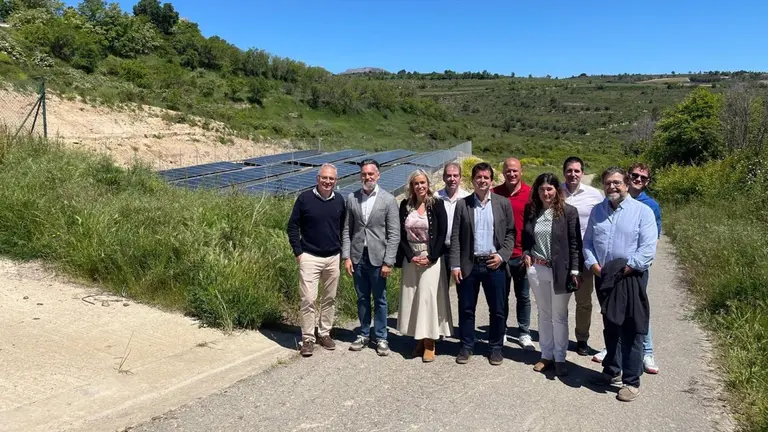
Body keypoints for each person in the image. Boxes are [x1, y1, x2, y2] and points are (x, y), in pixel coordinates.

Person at [584, 167, 657, 402]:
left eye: (616, 183)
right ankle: (612, 370)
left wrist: (624, 270)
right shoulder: (598, 211)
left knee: (631, 329)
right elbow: (588, 243)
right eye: (607, 183)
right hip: (604, 278)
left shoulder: (642, 212)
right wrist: (594, 266)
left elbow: (647, 249)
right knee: (610, 325)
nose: (612, 187)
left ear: (626, 184)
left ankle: (631, 381)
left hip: (630, 277)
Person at [450, 162, 516, 366]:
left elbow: (510, 233)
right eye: (478, 177)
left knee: (497, 309)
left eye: (486, 177)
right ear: (473, 180)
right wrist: (455, 264)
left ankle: (495, 347)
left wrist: (502, 256)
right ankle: (467, 346)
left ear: (491, 180)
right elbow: (455, 238)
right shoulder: (463, 204)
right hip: (469, 264)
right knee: (466, 308)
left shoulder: (502, 203)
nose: (482, 180)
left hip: (494, 263)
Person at [522, 173, 582, 376]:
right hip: (537, 269)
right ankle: (546, 355)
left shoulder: (568, 212)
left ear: (557, 190)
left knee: (559, 315)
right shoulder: (532, 210)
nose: (545, 193)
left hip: (561, 271)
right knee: (544, 313)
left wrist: (575, 270)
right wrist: (526, 253)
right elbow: (526, 237)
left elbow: (575, 244)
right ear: (536, 191)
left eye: (549, 189)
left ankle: (560, 358)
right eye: (541, 189)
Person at [342, 159, 400, 356]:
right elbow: (347, 230)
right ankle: (364, 334)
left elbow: (394, 234)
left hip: (379, 258)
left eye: (371, 174)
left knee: (381, 299)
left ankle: (382, 337)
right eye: (364, 174)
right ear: (360, 176)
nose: (367, 177)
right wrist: (346, 256)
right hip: (358, 256)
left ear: (378, 175)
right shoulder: (352, 198)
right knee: (362, 298)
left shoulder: (388, 200)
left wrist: (388, 261)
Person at [287, 163, 346, 357]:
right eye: (324, 178)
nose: (328, 181)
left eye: (331, 179)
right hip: (309, 256)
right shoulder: (304, 199)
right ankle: (307, 338)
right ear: (317, 179)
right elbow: (292, 227)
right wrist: (299, 252)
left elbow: (344, 228)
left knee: (329, 298)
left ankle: (324, 333)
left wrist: (342, 253)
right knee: (309, 299)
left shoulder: (339, 200)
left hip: (332, 257)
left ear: (336, 181)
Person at [396, 169, 453, 362]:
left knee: (428, 298)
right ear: (411, 186)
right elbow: (401, 234)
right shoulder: (405, 205)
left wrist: (431, 256)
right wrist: (411, 256)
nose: (420, 186)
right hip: (411, 257)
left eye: (423, 182)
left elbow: (442, 231)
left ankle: (430, 342)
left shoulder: (437, 204)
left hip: (431, 257)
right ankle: (418, 339)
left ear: (428, 184)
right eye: (416, 183)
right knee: (413, 298)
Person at [561, 156, 604, 356]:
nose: (573, 174)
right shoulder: (556, 193)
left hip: (585, 255)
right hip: (561, 256)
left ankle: (581, 339)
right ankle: (557, 338)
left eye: (577, 171)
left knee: (584, 301)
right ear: (564, 172)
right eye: (569, 170)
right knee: (558, 301)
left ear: (582, 173)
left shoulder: (595, 195)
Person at [491, 158, 535, 351]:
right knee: (502, 296)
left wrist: (530, 251)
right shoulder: (494, 193)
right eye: (508, 171)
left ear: (521, 172)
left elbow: (534, 224)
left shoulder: (531, 194)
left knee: (523, 295)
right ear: (503, 172)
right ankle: (502, 330)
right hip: (501, 254)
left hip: (522, 253)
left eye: (515, 171)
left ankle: (524, 332)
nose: (511, 174)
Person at [627, 162, 662, 375]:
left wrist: (641, 262)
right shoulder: (616, 197)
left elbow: (654, 240)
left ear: (647, 181)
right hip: (617, 266)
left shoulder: (651, 205)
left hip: (638, 266)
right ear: (628, 176)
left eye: (643, 177)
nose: (638, 180)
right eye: (635, 175)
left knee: (639, 308)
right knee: (616, 307)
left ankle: (647, 351)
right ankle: (613, 346)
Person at [435, 162, 470, 282]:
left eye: (455, 175)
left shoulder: (467, 199)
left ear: (460, 177)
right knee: (440, 288)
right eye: (449, 175)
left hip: (461, 250)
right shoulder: (435, 198)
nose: (452, 179)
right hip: (440, 250)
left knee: (463, 287)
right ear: (443, 177)